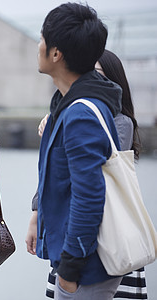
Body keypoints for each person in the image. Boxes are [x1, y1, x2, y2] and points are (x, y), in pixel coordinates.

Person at [28, 49, 146, 299]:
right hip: (76, 237)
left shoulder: (118, 122)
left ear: (114, 80)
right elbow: (54, 178)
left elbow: (90, 178)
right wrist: (36, 214)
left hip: (107, 239)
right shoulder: (68, 114)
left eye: (97, 73)